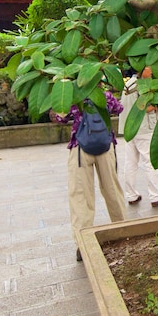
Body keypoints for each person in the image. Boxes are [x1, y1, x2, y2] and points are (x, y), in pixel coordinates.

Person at [53, 91, 126, 262]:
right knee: (112, 191)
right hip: (105, 145)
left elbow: (60, 118)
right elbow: (119, 108)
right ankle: (123, 232)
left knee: (80, 196)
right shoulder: (105, 95)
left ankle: (83, 243)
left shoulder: (74, 95)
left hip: (80, 148)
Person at [120, 66, 158, 207]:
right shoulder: (141, 86)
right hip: (143, 128)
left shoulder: (128, 85)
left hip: (129, 129)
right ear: (142, 69)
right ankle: (156, 196)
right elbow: (145, 107)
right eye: (149, 67)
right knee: (151, 162)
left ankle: (131, 195)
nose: (152, 70)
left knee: (130, 163)